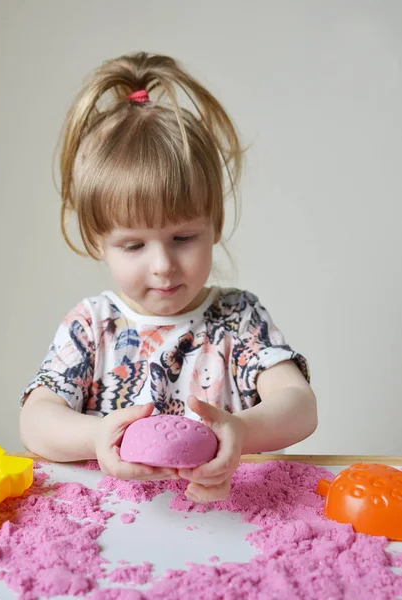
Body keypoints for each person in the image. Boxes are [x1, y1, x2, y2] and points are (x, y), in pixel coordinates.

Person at [20, 52, 317, 503]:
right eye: (134, 245)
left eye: (183, 237)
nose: (162, 264)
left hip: (225, 521)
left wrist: (241, 430)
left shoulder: (236, 318)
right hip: (113, 527)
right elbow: (35, 421)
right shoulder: (92, 325)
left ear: (214, 224)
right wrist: (99, 437)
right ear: (98, 240)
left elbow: (300, 406)